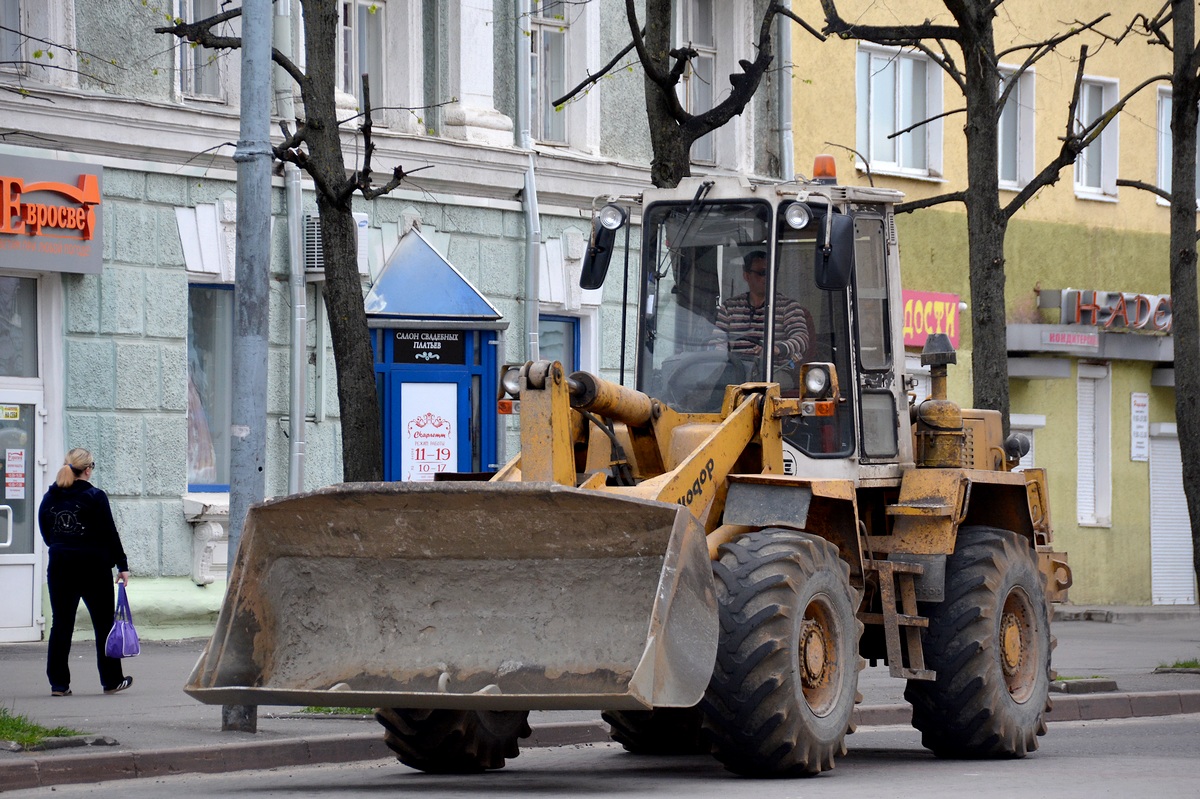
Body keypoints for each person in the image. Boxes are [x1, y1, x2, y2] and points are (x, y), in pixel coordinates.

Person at [38, 448, 133, 697]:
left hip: (60, 566)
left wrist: (63, 546)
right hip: (93, 568)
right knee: (103, 625)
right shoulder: (95, 496)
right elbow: (109, 533)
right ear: (88, 469)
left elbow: (46, 533)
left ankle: (59, 684)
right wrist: (121, 565)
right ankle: (112, 681)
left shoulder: (50, 497)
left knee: (61, 625)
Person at [713, 251, 811, 365]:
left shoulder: (789, 307)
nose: (767, 277)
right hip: (737, 372)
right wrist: (719, 356)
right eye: (762, 272)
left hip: (774, 373)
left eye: (771, 272)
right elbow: (718, 340)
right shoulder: (729, 307)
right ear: (746, 276)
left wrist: (776, 349)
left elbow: (802, 339)